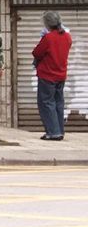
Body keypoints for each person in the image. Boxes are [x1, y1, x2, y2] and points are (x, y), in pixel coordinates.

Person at [33, 11, 72, 141]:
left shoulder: (48, 38)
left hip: (47, 74)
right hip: (61, 75)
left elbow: (37, 53)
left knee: (46, 103)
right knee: (58, 103)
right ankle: (60, 130)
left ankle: (53, 132)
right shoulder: (67, 37)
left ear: (47, 24)